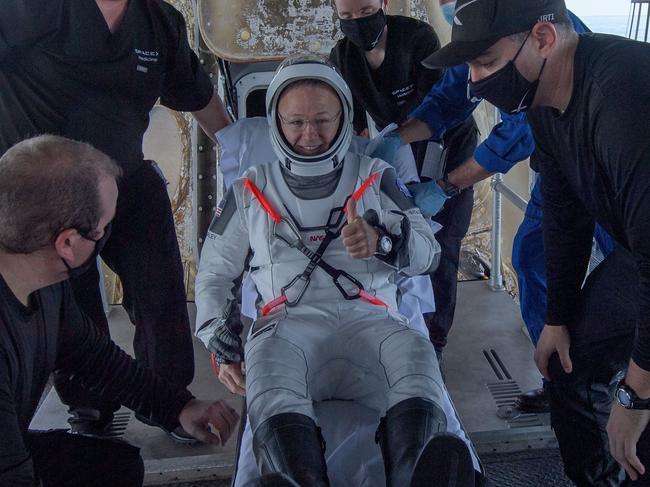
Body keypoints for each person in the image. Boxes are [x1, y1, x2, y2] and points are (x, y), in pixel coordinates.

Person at [195, 55, 475, 487]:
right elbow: (214, 272)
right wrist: (218, 334)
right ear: (275, 122)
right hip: (288, 329)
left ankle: (415, 475)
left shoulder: (376, 177)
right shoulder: (249, 189)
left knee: (417, 359)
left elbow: (428, 255)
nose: (310, 136)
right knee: (268, 376)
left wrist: (386, 241)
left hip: (372, 323)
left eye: (323, 120)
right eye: (296, 123)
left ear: (344, 116)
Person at [424, 0, 650, 484]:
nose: (477, 80)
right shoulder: (544, 100)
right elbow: (566, 216)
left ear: (544, 39)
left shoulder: (623, 96)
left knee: (641, 419)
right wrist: (557, 318)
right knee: (569, 366)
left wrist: (635, 396)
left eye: (486, 62)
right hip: (640, 253)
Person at [0, 0, 231, 437]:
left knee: (159, 285)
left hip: (121, 176)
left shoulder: (158, 21)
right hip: (45, 192)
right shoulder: (31, 9)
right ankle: (90, 408)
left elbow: (197, 94)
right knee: (73, 300)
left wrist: (245, 156)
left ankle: (170, 401)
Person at [381, 0, 608, 413]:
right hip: (558, 169)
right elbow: (452, 98)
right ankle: (559, 382)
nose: (451, 8)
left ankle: (624, 387)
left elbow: (517, 136)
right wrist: (397, 137)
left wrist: (446, 185)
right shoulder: (479, 36)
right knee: (532, 256)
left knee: (623, 271)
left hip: (602, 163)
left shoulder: (538, 36)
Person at [0, 135, 239, 487]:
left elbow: (94, 359)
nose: (110, 235)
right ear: (68, 243)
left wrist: (178, 407)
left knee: (115, 467)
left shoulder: (43, 283)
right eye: (104, 227)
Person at [329, 0, 479, 357]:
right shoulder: (343, 56)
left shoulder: (417, 38)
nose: (357, 24)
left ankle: (434, 343)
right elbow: (355, 119)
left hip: (447, 144)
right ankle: (400, 327)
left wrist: (442, 185)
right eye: (347, 17)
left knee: (443, 240)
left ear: (382, 3)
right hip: (396, 148)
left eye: (365, 13)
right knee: (395, 237)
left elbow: (443, 109)